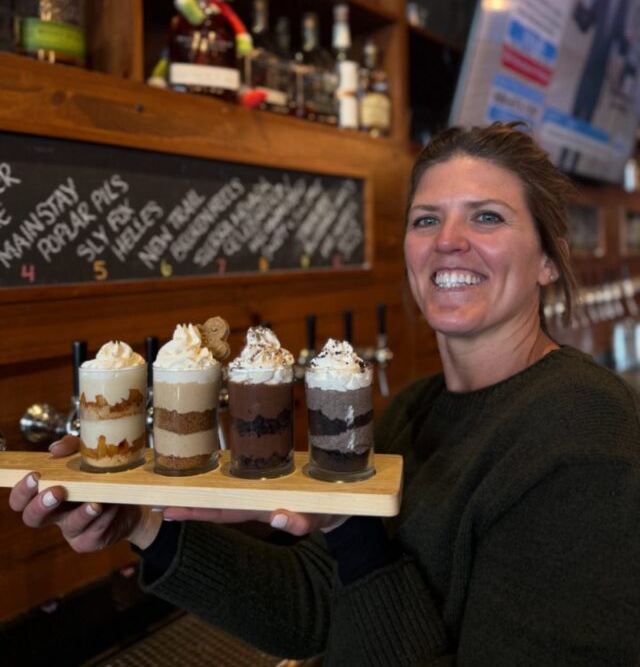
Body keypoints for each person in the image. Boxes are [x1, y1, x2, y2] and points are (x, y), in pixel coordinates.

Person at [10, 122, 640, 665]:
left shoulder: (581, 429)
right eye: (427, 219)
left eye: (488, 216)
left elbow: (363, 568)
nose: (448, 240)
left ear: (549, 260)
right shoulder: (414, 410)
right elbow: (316, 605)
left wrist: (353, 531)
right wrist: (145, 524)